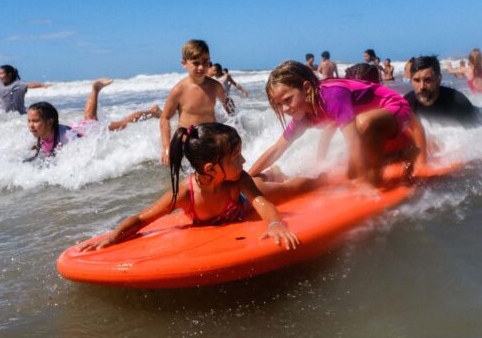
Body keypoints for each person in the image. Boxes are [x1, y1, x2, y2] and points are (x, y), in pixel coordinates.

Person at [79, 123, 303, 252]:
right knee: (266, 180)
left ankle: (320, 178)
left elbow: (262, 204)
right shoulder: (185, 194)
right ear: (211, 169)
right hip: (232, 202)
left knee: (290, 189)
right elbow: (142, 219)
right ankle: (272, 173)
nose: (244, 161)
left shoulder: (238, 179)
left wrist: (275, 223)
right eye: (236, 157)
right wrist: (114, 237)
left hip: (243, 204)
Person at [248, 61, 427, 185]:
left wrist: (364, 183)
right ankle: (399, 155)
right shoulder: (305, 113)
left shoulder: (332, 95)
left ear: (306, 88)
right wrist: (247, 177)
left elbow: (353, 140)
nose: (285, 108)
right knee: (351, 171)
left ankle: (374, 178)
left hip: (396, 108)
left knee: (362, 125)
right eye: (279, 104)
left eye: (287, 99)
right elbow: (277, 149)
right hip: (370, 121)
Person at [26, 79, 161, 159]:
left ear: (50, 122)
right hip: (80, 128)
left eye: (36, 121)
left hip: (92, 132)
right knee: (89, 115)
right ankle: (95, 90)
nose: (31, 125)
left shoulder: (66, 137)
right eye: (29, 121)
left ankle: (153, 112)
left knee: (124, 123)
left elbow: (86, 149)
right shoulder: (41, 133)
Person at [160, 40, 235, 165]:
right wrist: (166, 147)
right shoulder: (179, 90)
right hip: (187, 141)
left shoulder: (215, 86)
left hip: (210, 140)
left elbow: (231, 110)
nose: (201, 67)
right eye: (196, 63)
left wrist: (238, 127)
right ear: (184, 63)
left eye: (205, 63)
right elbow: (164, 118)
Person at [404, 56, 482, 128]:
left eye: (427, 80)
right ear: (411, 80)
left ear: (439, 79)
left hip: (477, 113)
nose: (422, 86)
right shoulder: (406, 103)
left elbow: (479, 135)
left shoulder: (458, 102)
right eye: (416, 80)